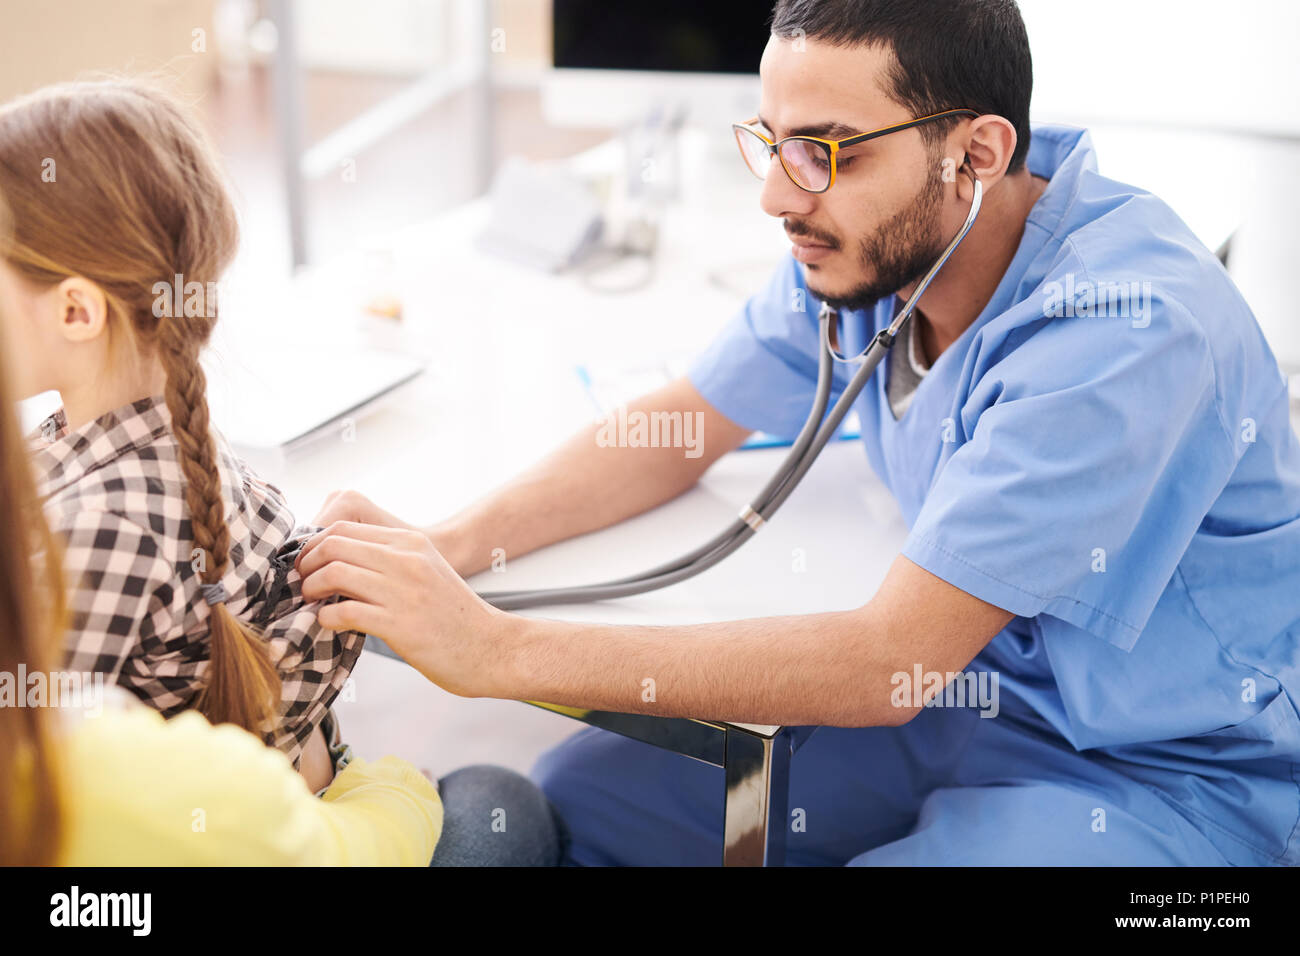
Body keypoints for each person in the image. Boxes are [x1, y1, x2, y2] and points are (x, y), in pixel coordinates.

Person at [296, 0, 1300, 866]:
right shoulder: (869, 244)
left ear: (977, 154)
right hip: (974, 695)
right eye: (771, 142)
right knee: (575, 797)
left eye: (826, 151)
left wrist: (495, 648)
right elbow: (683, 423)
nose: (779, 196)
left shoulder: (1121, 333)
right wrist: (454, 544)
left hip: (1167, 773)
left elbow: (881, 662)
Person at [0, 81, 564, 867]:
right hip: (302, 812)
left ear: (75, 312)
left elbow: (35, 784)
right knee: (498, 797)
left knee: (497, 801)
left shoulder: (95, 531)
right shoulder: (171, 443)